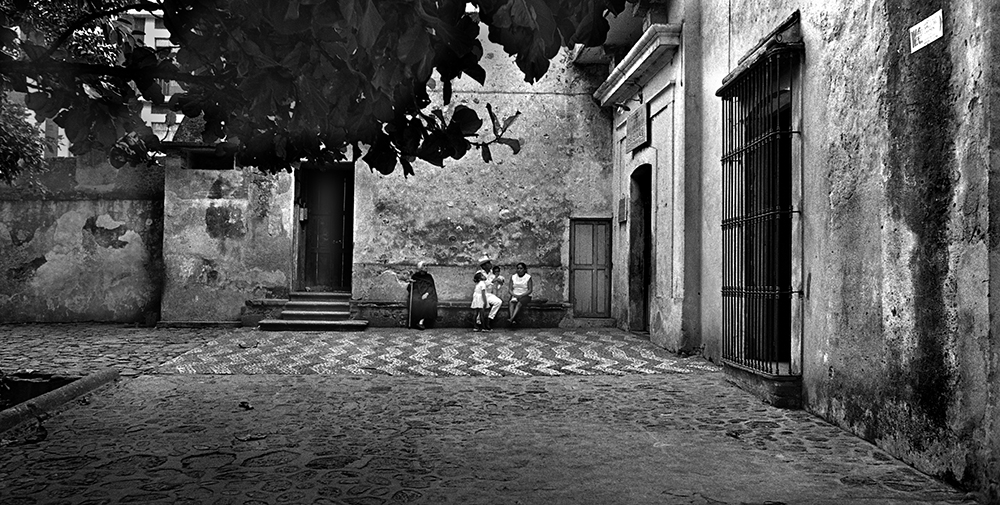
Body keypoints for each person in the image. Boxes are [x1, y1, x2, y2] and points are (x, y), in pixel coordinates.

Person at [407, 261, 437, 330]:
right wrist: (410, 283)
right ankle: (415, 321)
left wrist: (426, 293)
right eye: (424, 266)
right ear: (420, 268)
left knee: (429, 302)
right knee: (415, 300)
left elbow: (431, 287)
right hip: (417, 292)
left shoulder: (429, 277)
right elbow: (410, 288)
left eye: (426, 266)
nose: (426, 267)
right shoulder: (415, 276)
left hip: (427, 293)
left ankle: (421, 322)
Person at [475, 255, 503, 330]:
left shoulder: (491, 273)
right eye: (488, 263)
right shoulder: (479, 273)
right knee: (482, 305)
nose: (490, 264)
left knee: (498, 302)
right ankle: (478, 322)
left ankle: (490, 319)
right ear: (484, 266)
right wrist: (493, 281)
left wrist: (500, 281)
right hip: (481, 294)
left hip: (489, 294)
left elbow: (497, 281)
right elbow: (484, 283)